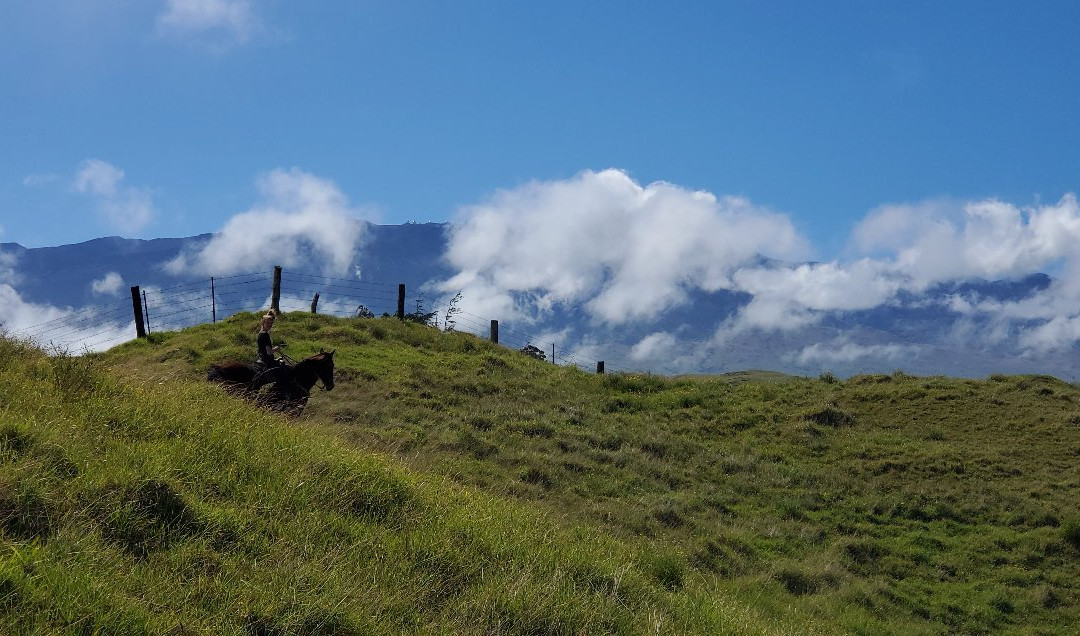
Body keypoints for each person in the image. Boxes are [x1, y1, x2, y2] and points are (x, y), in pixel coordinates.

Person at [252, 311, 289, 390]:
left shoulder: (260, 333)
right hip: (267, 361)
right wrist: (276, 349)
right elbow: (269, 352)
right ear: (263, 323)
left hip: (262, 359)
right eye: (268, 323)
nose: (269, 325)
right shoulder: (265, 334)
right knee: (284, 374)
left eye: (271, 323)